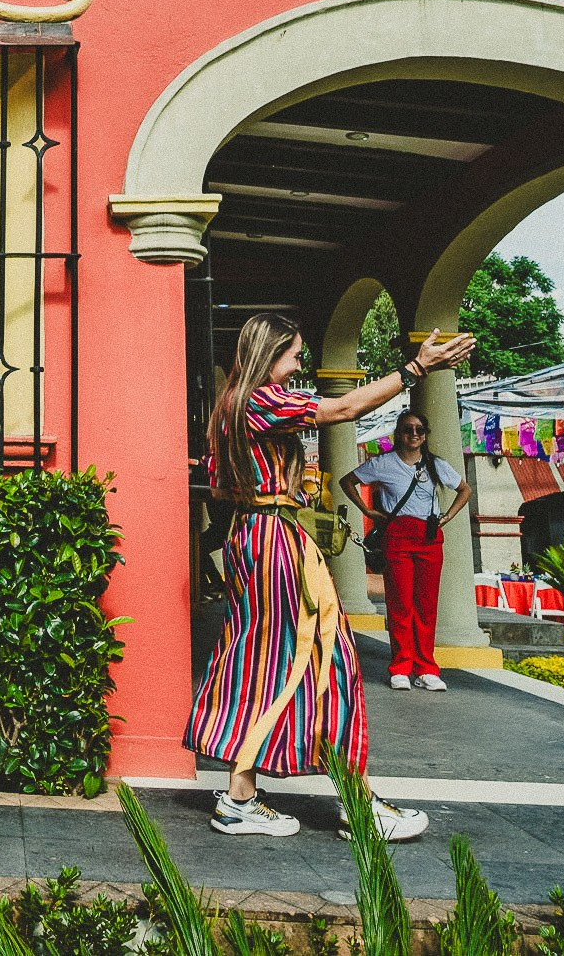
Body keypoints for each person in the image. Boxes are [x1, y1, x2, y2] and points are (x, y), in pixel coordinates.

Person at [186, 312, 474, 842]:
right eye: (294, 355)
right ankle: (356, 803)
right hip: (277, 540)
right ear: (270, 353)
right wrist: (414, 369)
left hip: (252, 536)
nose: (299, 366)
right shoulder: (261, 399)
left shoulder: (228, 407)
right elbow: (342, 408)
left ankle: (240, 797)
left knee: (260, 663)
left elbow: (220, 484)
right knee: (330, 658)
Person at [341, 409, 473, 692]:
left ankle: (426, 668)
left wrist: (447, 516)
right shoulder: (383, 463)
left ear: (425, 435)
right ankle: (401, 666)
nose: (414, 434)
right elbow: (347, 481)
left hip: (428, 535)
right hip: (398, 534)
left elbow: (465, 490)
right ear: (397, 434)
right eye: (407, 429)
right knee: (400, 603)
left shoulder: (435, 465)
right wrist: (368, 511)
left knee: (427, 605)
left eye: (419, 430)